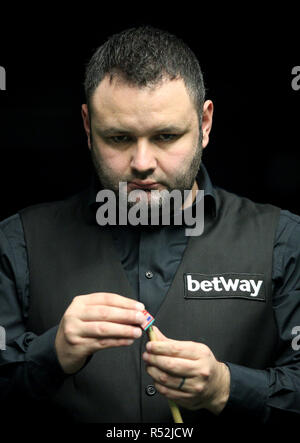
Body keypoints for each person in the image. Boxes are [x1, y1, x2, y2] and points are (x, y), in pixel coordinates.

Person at [0, 25, 299, 425]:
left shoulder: (285, 240)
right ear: (88, 127)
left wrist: (226, 387)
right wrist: (50, 353)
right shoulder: (16, 241)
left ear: (205, 124)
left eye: (166, 136)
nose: (142, 162)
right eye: (119, 138)